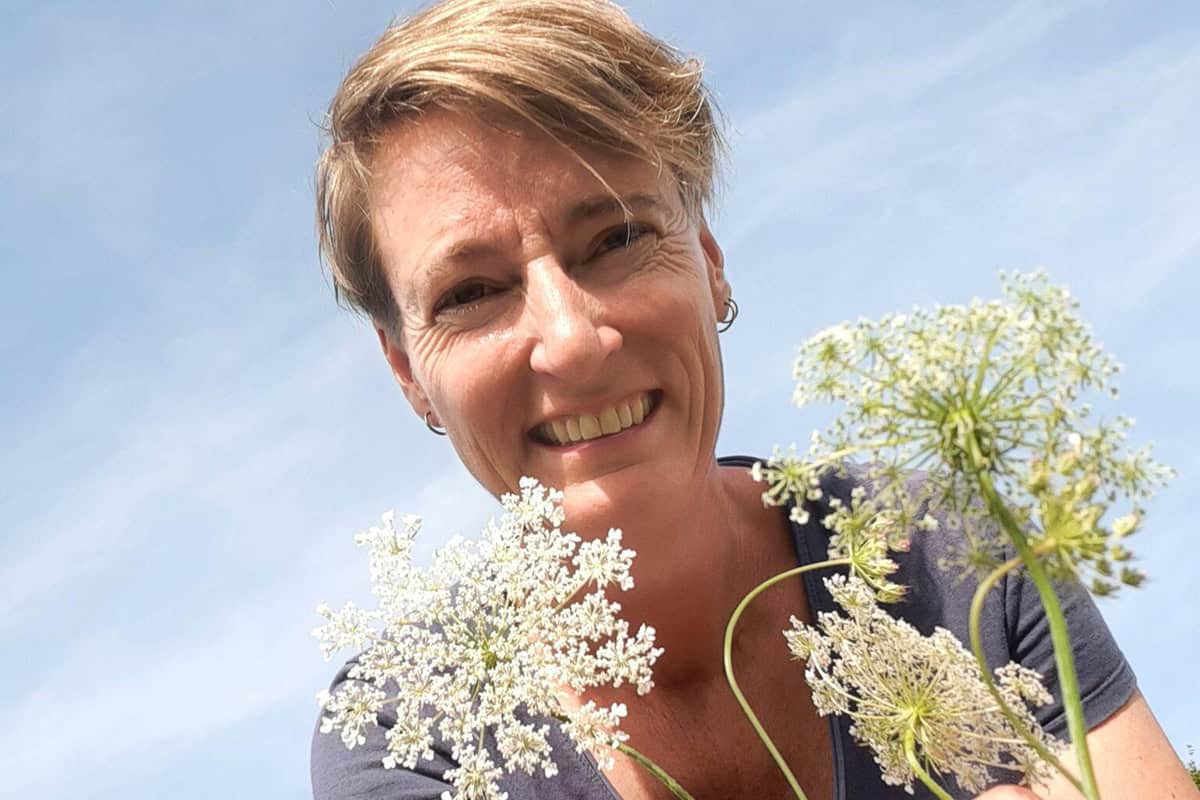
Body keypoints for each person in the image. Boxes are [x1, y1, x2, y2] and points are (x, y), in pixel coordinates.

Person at [310, 1, 1197, 798]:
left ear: (713, 266)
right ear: (407, 373)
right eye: (470, 294)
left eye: (618, 236)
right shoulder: (405, 736)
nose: (574, 340)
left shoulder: (960, 560)